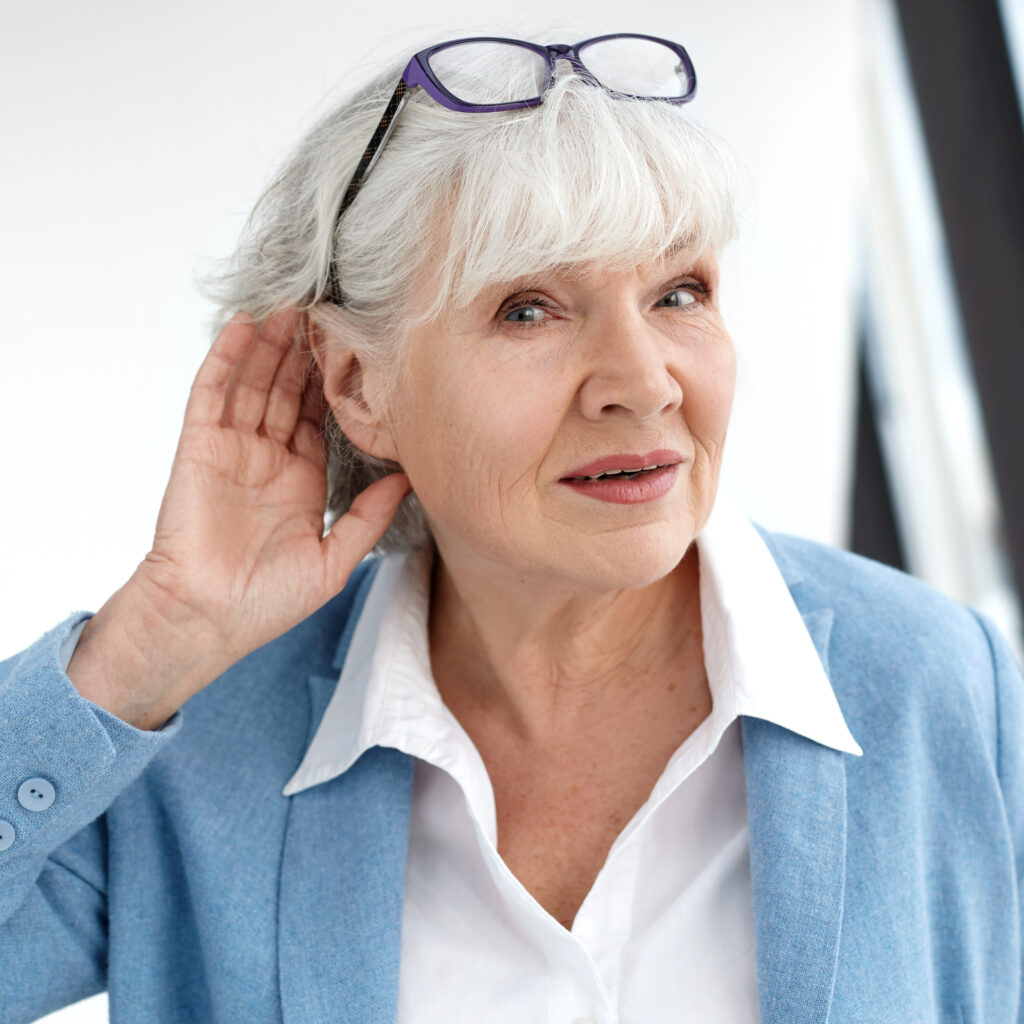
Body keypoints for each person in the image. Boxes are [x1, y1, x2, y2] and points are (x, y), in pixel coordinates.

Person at [1, 31, 1022, 1024]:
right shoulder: (194, 741)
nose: (642, 382)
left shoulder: (945, 689)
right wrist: (151, 639)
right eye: (528, 310)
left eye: (679, 293)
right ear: (357, 382)